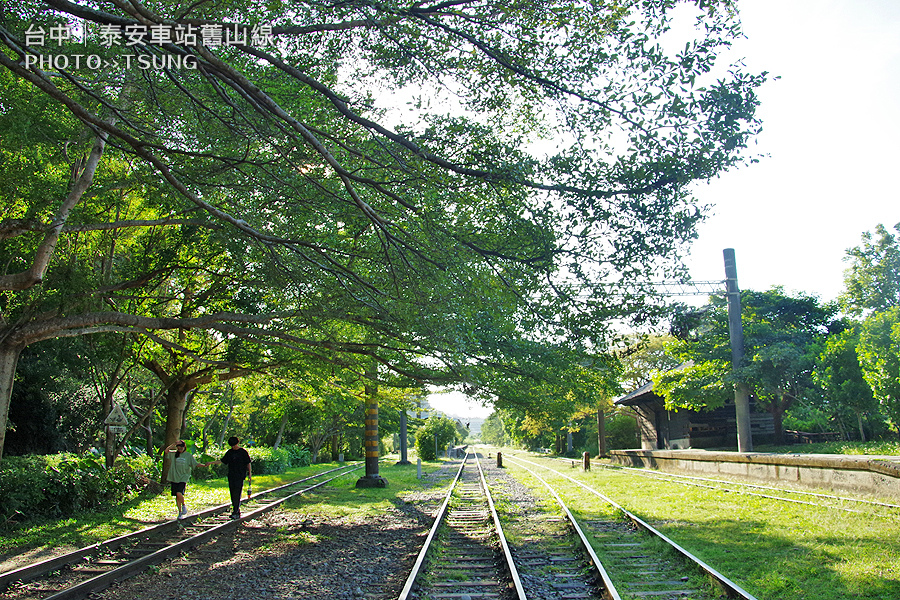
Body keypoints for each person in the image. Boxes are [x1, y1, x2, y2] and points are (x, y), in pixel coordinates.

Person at [208, 436, 252, 519]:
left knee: (237, 492)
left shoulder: (243, 452)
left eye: (234, 445)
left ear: (237, 443)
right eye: (232, 446)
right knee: (232, 493)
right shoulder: (230, 452)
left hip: (240, 475)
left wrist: (250, 474)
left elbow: (248, 463)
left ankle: (236, 510)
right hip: (231, 475)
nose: (233, 447)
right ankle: (235, 509)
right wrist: (211, 462)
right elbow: (222, 461)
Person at [164, 440, 200, 520]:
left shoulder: (188, 455)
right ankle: (180, 512)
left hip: (183, 477)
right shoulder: (174, 454)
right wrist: (173, 444)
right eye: (178, 448)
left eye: (181, 448)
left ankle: (183, 505)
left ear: (184, 447)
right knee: (177, 496)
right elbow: (166, 451)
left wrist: (204, 465)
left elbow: (195, 464)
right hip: (174, 476)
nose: (180, 450)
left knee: (179, 492)